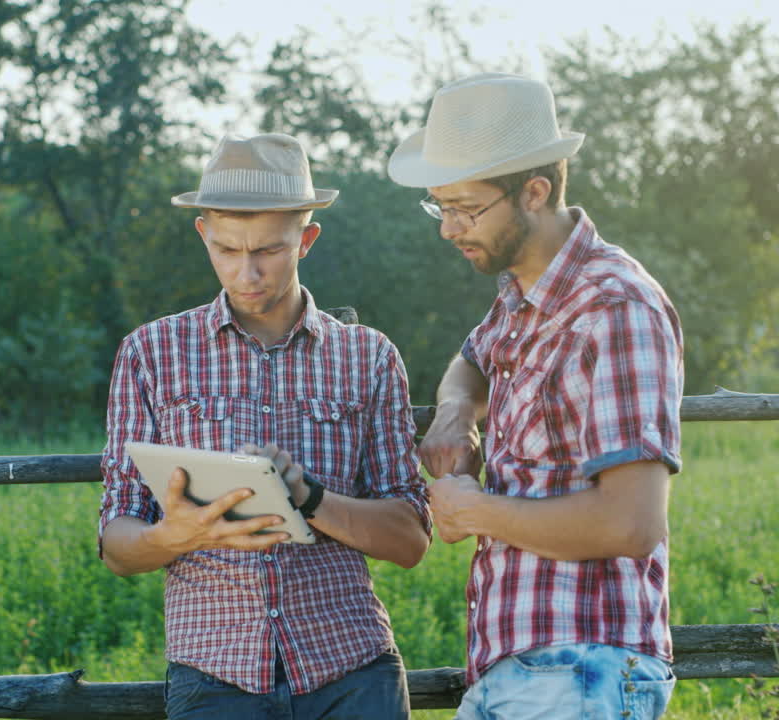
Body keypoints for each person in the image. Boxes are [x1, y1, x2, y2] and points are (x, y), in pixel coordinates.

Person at [99, 133, 432, 720]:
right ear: (203, 233)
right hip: (214, 676)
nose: (246, 272)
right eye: (227, 249)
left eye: (269, 251)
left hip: (352, 671)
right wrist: (176, 535)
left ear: (307, 239)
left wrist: (307, 496)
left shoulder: (369, 356)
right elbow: (117, 546)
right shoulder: (150, 353)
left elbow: (410, 541)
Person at [387, 73, 685, 719]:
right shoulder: (524, 297)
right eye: (440, 206)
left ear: (535, 191)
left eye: (465, 207)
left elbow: (630, 525)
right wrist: (456, 414)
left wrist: (473, 509)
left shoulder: (612, 307)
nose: (449, 228)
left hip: (581, 665)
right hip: (527, 669)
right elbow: (471, 362)